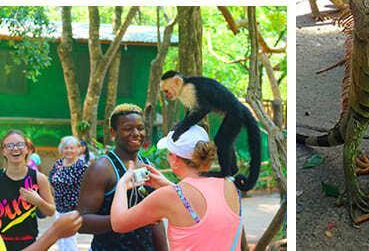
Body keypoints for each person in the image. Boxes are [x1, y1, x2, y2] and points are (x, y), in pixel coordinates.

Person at [110, 125, 243, 251]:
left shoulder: (169, 196)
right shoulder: (230, 185)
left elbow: (118, 223)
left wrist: (122, 184)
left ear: (175, 159)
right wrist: (169, 185)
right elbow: (203, 214)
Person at [76, 104, 167, 250]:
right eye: (127, 129)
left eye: (140, 128)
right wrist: (129, 219)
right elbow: (81, 222)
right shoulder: (101, 169)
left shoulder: (148, 166)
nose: (136, 133)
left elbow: (156, 220)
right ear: (113, 132)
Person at [0, 130, 56, 250]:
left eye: (20, 144)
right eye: (9, 145)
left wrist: (38, 201)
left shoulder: (39, 178)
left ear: (27, 149)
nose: (15, 149)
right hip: (2, 243)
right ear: (3, 151)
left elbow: (51, 211)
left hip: (30, 242)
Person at [49, 136, 88, 251]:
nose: (69, 151)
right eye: (66, 148)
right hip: (59, 207)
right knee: (60, 237)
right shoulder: (59, 164)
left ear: (78, 150)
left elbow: (89, 186)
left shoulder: (82, 166)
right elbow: (51, 179)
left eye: (72, 148)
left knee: (69, 239)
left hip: (73, 209)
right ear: (62, 149)